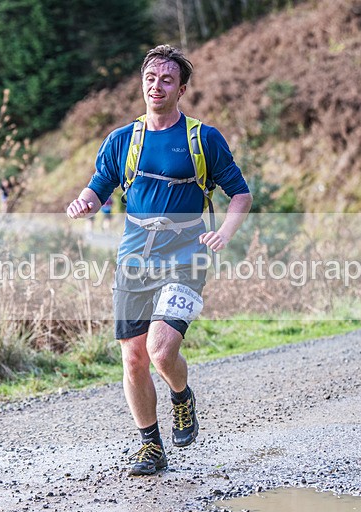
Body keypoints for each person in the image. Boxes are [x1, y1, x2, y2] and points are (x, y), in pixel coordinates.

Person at [66, 45, 252, 476]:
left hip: (188, 255)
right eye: (151, 78)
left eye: (167, 79)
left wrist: (224, 231)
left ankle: (181, 396)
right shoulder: (122, 140)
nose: (157, 86)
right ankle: (151, 445)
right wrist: (84, 202)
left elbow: (239, 193)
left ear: (181, 89)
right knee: (133, 357)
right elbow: (100, 184)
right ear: (142, 83)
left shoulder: (203, 139)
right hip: (134, 258)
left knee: (161, 350)